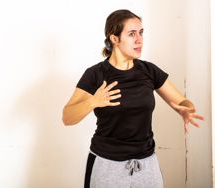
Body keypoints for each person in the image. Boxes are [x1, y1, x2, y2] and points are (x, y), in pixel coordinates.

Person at [62, 9, 204, 188]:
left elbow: (182, 101)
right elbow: (67, 117)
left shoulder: (149, 71)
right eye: (131, 34)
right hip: (106, 164)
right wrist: (93, 101)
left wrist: (186, 109)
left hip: (146, 165)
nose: (139, 39)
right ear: (114, 39)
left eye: (141, 33)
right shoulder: (96, 74)